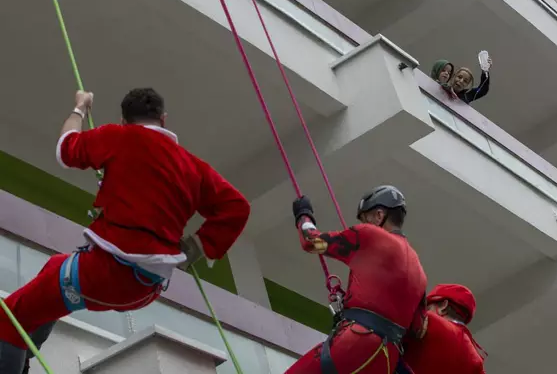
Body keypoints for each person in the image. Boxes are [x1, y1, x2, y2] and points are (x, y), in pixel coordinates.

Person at [0, 88, 251, 374]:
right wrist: (194, 247)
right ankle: (24, 352)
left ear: (123, 119)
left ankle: (15, 354)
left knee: (8, 317)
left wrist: (80, 107)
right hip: (146, 287)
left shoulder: (117, 137)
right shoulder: (193, 166)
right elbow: (237, 207)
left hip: (106, 274)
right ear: (163, 120)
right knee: (54, 269)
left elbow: (65, 147)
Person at [285, 185, 428, 374]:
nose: (364, 224)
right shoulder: (419, 271)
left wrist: (304, 214)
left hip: (356, 342)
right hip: (386, 361)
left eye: (366, 219)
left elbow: (311, 241)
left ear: (379, 215)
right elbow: (418, 328)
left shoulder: (371, 235)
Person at [401, 284, 486, 374]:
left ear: (443, 306)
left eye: (428, 307)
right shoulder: (476, 360)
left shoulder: (428, 321)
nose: (425, 312)